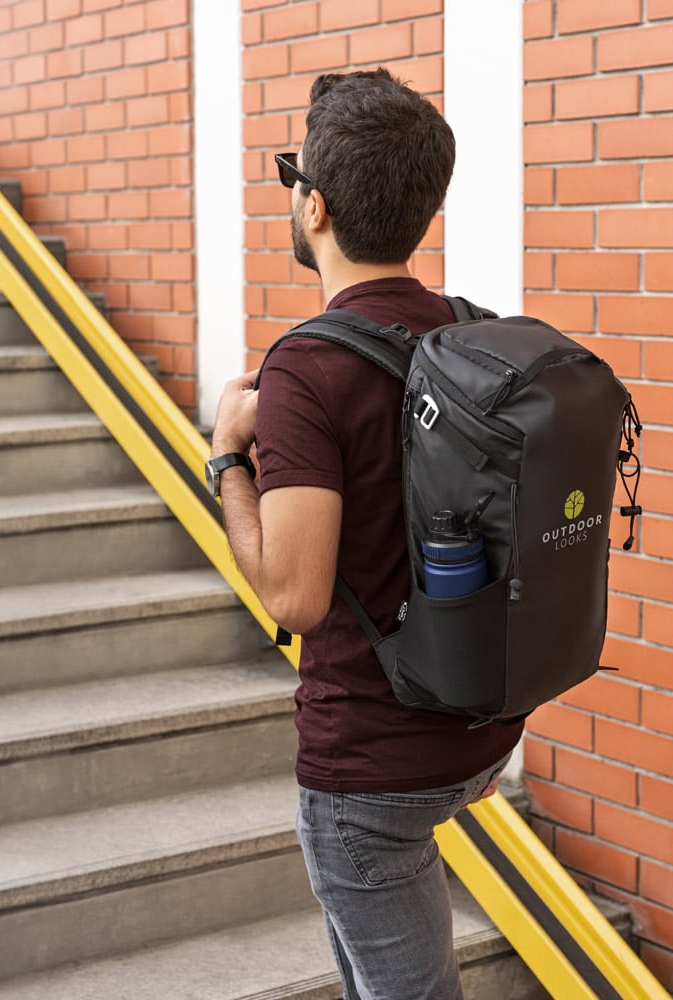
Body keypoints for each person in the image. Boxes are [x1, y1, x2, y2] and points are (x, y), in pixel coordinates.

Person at [209, 68, 524, 1000]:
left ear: (314, 206)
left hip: (367, 773)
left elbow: (293, 596)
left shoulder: (306, 369)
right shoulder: (469, 334)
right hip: (475, 731)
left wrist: (228, 459)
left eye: (291, 175)